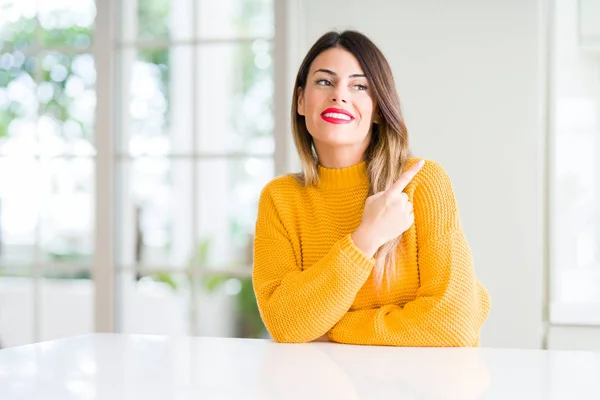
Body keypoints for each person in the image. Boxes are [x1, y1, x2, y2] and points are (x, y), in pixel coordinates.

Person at [252, 30, 491, 346]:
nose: (339, 95)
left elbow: (453, 323)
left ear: (378, 109)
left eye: (359, 86)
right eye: (325, 81)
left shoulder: (423, 182)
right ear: (300, 101)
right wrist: (366, 238)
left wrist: (328, 328)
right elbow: (284, 324)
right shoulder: (280, 198)